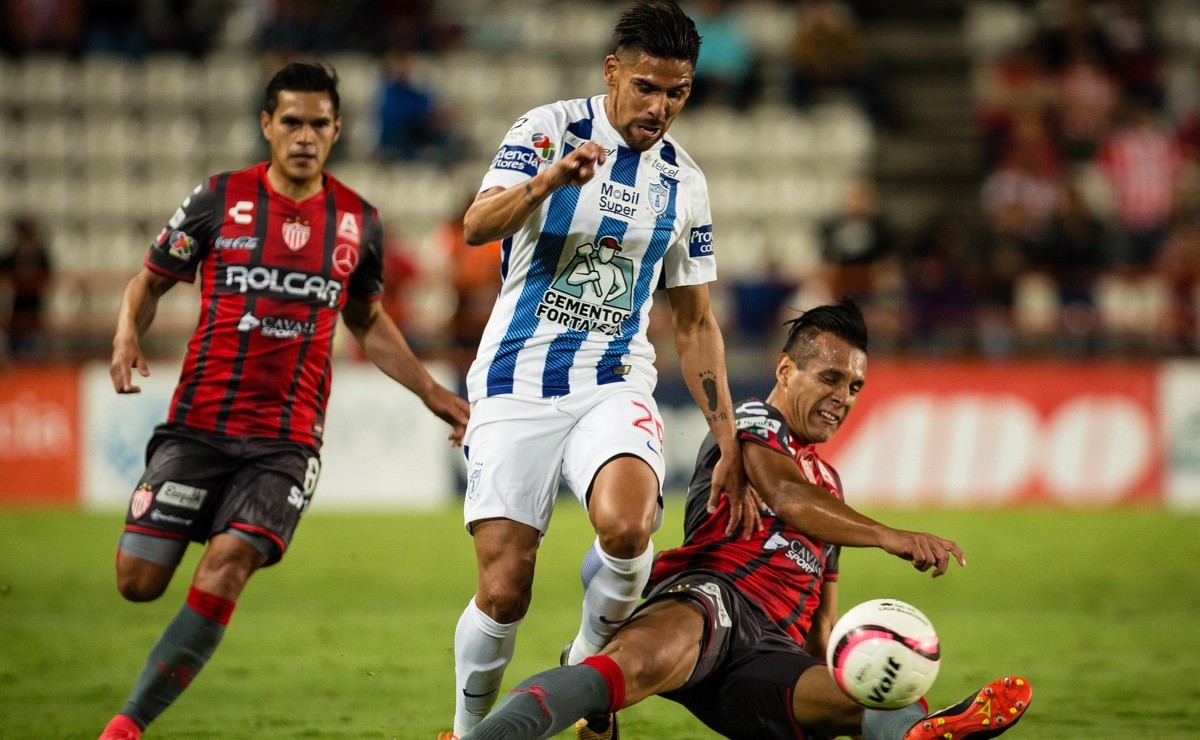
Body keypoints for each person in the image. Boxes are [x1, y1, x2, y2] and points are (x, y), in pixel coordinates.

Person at [460, 300, 1033, 740]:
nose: (843, 397)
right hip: (708, 602)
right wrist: (889, 535)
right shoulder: (751, 424)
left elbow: (821, 625)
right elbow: (786, 497)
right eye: (830, 378)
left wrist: (846, 668)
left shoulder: (832, 489)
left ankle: (914, 731)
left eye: (855, 387)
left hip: (769, 658)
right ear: (786, 370)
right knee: (609, 677)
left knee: (872, 696)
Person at [97, 61, 470, 740]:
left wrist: (432, 390)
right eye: (291, 122)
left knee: (231, 561)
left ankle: (127, 724)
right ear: (267, 125)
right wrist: (126, 334)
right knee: (136, 582)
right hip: (198, 426)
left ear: (337, 131)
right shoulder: (218, 199)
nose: (304, 136)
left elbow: (366, 320)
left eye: (318, 124)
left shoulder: (359, 221)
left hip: (286, 442)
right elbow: (148, 283)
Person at [445, 2, 757, 737]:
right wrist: (550, 180)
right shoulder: (546, 128)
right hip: (515, 381)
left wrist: (727, 436)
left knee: (627, 527)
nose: (660, 107)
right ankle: (464, 730)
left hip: (613, 380)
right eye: (646, 87)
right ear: (612, 72)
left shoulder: (685, 182)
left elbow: (694, 320)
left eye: (677, 93)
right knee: (503, 590)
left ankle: (585, 664)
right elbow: (475, 224)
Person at [0, 216, 54, 361]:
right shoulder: (10, 256)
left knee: (33, 359)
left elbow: (47, 280)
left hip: (34, 315)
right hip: (14, 316)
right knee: (15, 358)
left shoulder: (40, 255)